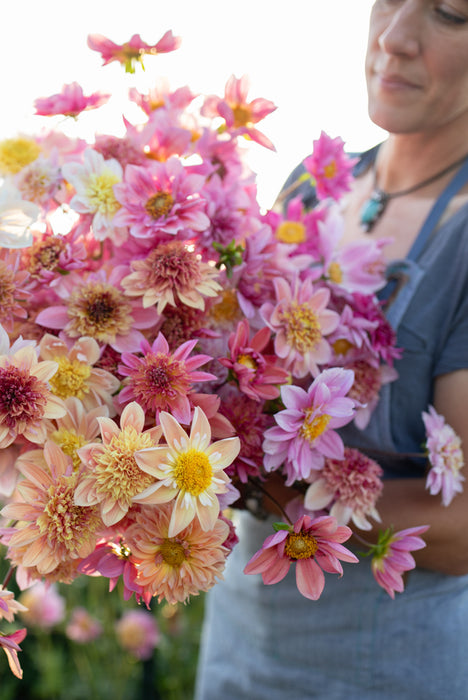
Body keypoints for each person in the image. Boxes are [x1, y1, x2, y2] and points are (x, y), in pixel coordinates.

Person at [195, 1, 468, 697]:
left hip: (389, 661)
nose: (395, 38)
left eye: (450, 14)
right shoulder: (311, 183)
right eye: (387, 0)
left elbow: (465, 525)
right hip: (240, 636)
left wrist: (277, 488)